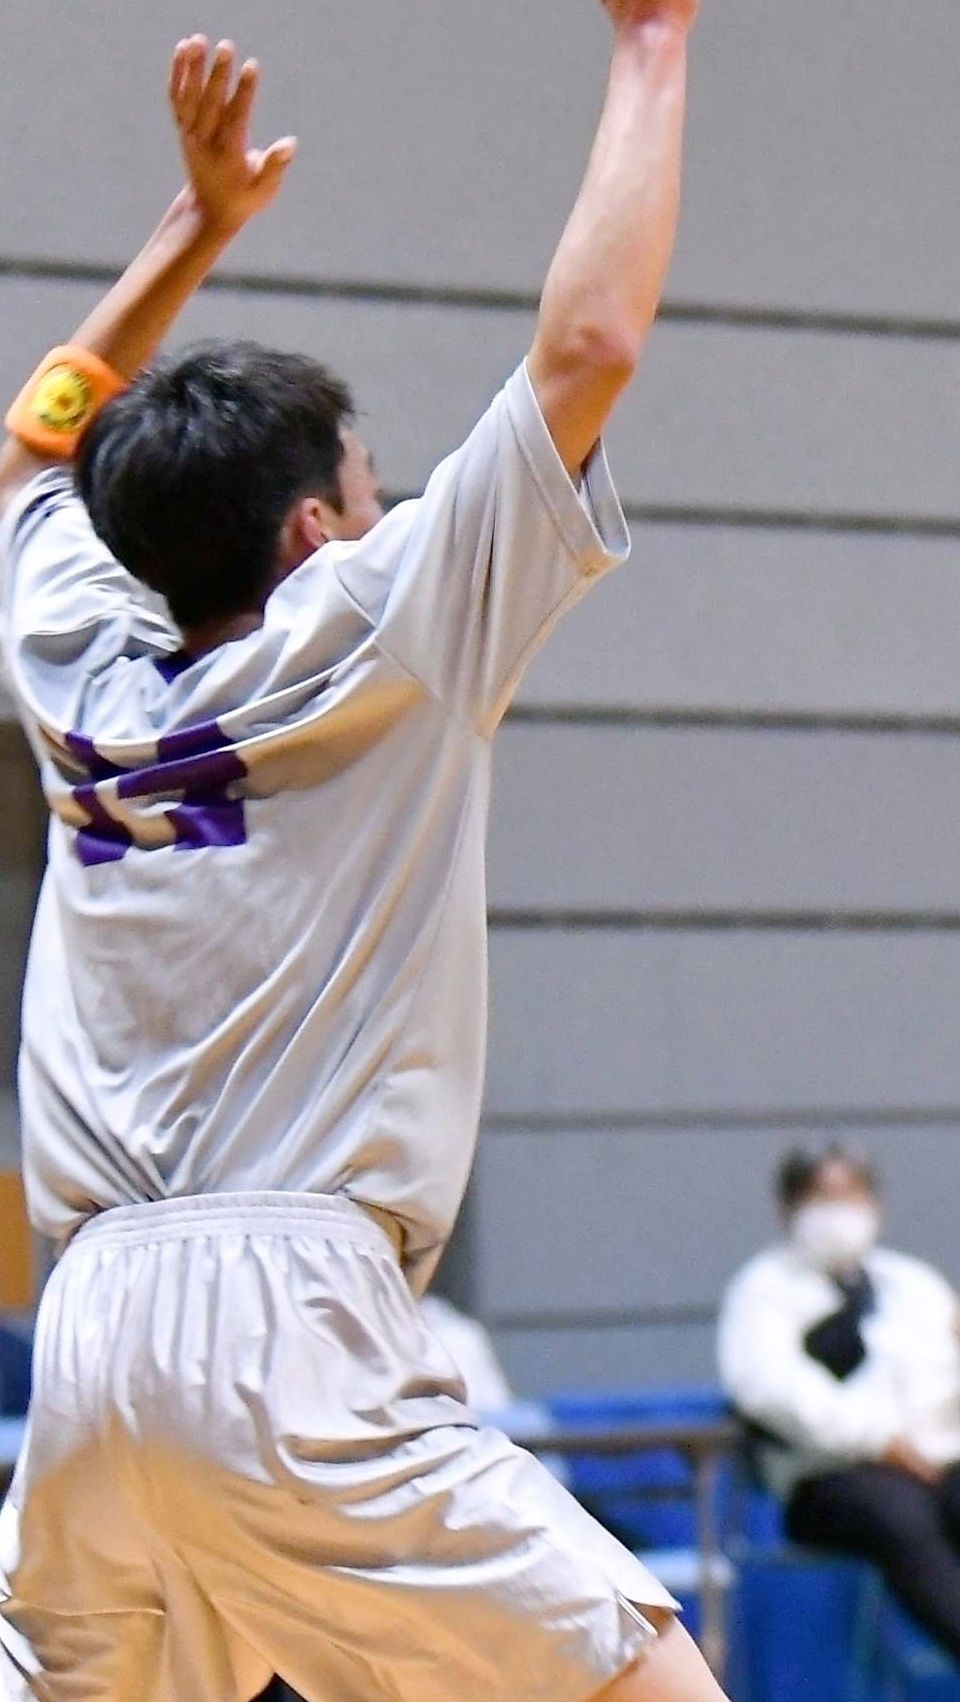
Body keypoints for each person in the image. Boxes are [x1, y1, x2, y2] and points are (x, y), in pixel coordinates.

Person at [0, 11, 725, 1700]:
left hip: (86, 1348)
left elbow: (38, 444)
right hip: (291, 1329)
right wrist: (653, 44)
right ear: (318, 529)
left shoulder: (80, 671)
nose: (402, 507)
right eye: (376, 486)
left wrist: (190, 231)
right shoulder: (381, 622)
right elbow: (594, 341)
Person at [720, 1146, 960, 1702]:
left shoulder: (911, 1282)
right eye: (823, 1198)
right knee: (899, 1516)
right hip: (832, 1479)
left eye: (851, 1196)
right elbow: (768, 1390)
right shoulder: (762, 1291)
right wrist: (877, 1439)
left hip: (939, 1462)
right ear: (790, 1208)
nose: (839, 1212)